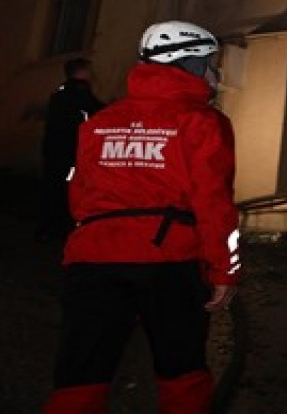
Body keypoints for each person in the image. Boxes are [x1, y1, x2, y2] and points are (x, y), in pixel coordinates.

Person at [43, 21, 241, 414]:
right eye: (209, 62)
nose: (215, 73)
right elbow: (215, 204)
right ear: (190, 63)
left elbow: (78, 192)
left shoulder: (98, 122)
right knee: (182, 372)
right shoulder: (203, 122)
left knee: (80, 376)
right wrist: (224, 271)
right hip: (169, 264)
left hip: (92, 262)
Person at [37, 57, 105, 240]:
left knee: (52, 186)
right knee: (67, 188)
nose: (92, 74)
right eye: (89, 70)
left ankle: (47, 226)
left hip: (54, 148)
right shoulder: (80, 90)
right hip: (70, 149)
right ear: (81, 72)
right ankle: (61, 227)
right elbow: (96, 111)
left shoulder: (61, 91)